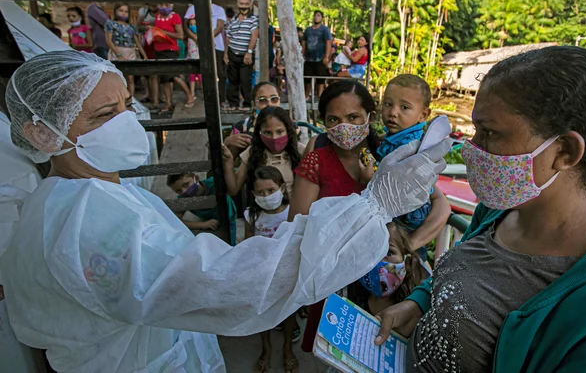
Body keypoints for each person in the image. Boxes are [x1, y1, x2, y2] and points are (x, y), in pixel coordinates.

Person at [0, 50, 450, 373]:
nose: (127, 120)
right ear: (43, 135)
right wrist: (376, 206)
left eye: (125, 106)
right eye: (103, 115)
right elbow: (231, 283)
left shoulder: (87, 194)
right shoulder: (81, 219)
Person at [374, 46, 586, 372]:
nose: (469, 149)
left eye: (490, 133)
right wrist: (418, 303)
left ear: (564, 151)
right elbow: (463, 276)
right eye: (475, 130)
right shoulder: (502, 210)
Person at [291, 79, 382, 352]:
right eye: (334, 119)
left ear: (370, 117)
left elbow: (435, 204)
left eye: (353, 117)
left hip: (380, 277)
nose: (344, 127)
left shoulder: (387, 156)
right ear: (324, 123)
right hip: (330, 278)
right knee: (334, 350)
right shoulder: (317, 160)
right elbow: (298, 223)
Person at [375, 74, 451, 257]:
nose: (393, 112)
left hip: (408, 213)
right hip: (401, 205)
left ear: (423, 115)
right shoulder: (393, 137)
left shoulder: (410, 144)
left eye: (404, 107)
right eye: (387, 104)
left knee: (397, 249)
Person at [246, 166, 300, 373]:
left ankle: (287, 349)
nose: (266, 196)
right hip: (262, 272)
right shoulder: (252, 215)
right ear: (253, 194)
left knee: (288, 311)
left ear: (282, 188)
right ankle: (266, 348)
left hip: (287, 271)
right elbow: (249, 246)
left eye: (270, 190)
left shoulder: (293, 211)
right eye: (260, 193)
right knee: (263, 311)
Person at [222, 106, 304, 198]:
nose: (274, 137)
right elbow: (233, 189)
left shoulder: (301, 151)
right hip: (261, 211)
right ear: (259, 132)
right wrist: (228, 161)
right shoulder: (252, 152)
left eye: (280, 132)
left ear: (288, 131)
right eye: (267, 133)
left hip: (295, 210)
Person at [347, 222, 426, 316]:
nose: (379, 265)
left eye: (389, 253)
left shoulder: (413, 307)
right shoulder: (352, 294)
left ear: (405, 258)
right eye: (372, 253)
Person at [184, 0, 228, 107]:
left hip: (216, 46)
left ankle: (221, 100)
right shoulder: (191, 8)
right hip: (196, 46)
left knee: (220, 73)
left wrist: (206, 39)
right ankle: (204, 97)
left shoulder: (219, 9)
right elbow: (185, 25)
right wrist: (196, 37)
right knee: (199, 73)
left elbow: (219, 27)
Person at [167, 172, 238, 244]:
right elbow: (175, 220)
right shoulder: (183, 199)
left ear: (196, 179)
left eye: (186, 184)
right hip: (209, 222)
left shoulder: (215, 182)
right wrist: (202, 224)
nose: (184, 191)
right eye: (179, 191)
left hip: (228, 219)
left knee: (229, 245)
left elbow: (235, 175)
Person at [151, 3, 194, 112]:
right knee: (165, 78)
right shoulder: (157, 17)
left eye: (166, 5)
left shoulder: (175, 17)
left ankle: (190, 95)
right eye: (161, 5)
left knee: (174, 75)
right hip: (158, 49)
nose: (164, 7)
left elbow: (180, 35)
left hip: (170, 50)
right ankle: (168, 103)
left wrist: (162, 32)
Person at [224, 82, 281, 158]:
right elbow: (230, 161)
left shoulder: (288, 125)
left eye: (274, 99)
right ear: (253, 104)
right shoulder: (243, 127)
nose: (269, 104)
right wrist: (227, 143)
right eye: (262, 100)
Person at [224, 0, 259, 111]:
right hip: (232, 53)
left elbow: (254, 35)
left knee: (245, 80)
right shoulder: (232, 20)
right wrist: (225, 53)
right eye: (241, 3)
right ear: (237, 4)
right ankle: (233, 104)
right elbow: (227, 37)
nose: (243, 6)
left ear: (250, 5)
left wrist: (249, 52)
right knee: (232, 80)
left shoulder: (253, 19)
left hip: (246, 55)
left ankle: (247, 104)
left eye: (246, 4)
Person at [105, 4, 147, 97]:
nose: (123, 13)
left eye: (126, 11)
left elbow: (137, 42)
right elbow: (108, 40)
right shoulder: (111, 24)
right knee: (117, 77)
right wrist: (119, 55)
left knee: (130, 78)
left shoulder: (131, 27)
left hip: (130, 52)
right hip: (117, 51)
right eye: (121, 10)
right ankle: (117, 100)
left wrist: (144, 55)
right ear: (115, 11)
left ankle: (130, 100)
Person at [302, 10, 333, 98]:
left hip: (320, 57)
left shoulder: (324, 30)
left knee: (320, 78)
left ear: (321, 18)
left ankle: (320, 96)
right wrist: (303, 54)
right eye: (315, 15)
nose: (316, 17)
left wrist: (326, 57)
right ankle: (306, 96)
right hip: (309, 58)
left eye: (318, 15)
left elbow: (328, 42)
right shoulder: (308, 30)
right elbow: (304, 41)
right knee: (307, 78)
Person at [185, 16, 202, 99]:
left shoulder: (200, 36)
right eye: (191, 24)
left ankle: (205, 93)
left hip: (199, 60)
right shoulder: (189, 37)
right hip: (191, 59)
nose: (193, 26)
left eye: (195, 24)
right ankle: (192, 94)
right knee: (191, 77)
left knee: (201, 77)